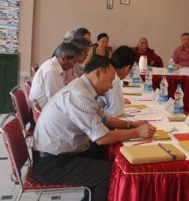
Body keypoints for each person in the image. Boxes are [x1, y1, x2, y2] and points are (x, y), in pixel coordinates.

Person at [32, 56, 156, 201]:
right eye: (111, 79)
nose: (111, 86)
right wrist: (137, 132)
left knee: (107, 154)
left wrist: (132, 124)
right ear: (98, 73)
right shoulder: (79, 94)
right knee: (115, 173)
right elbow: (102, 138)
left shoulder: (83, 88)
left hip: (63, 154)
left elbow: (105, 118)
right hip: (53, 164)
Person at [29, 42, 83, 110]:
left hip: (45, 108)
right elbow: (55, 100)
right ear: (64, 59)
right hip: (44, 112)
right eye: (74, 62)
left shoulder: (53, 65)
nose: (73, 66)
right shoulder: (52, 71)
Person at [97, 46, 136, 117]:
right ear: (127, 68)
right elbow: (115, 112)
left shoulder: (106, 70)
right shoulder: (114, 78)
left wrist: (120, 100)